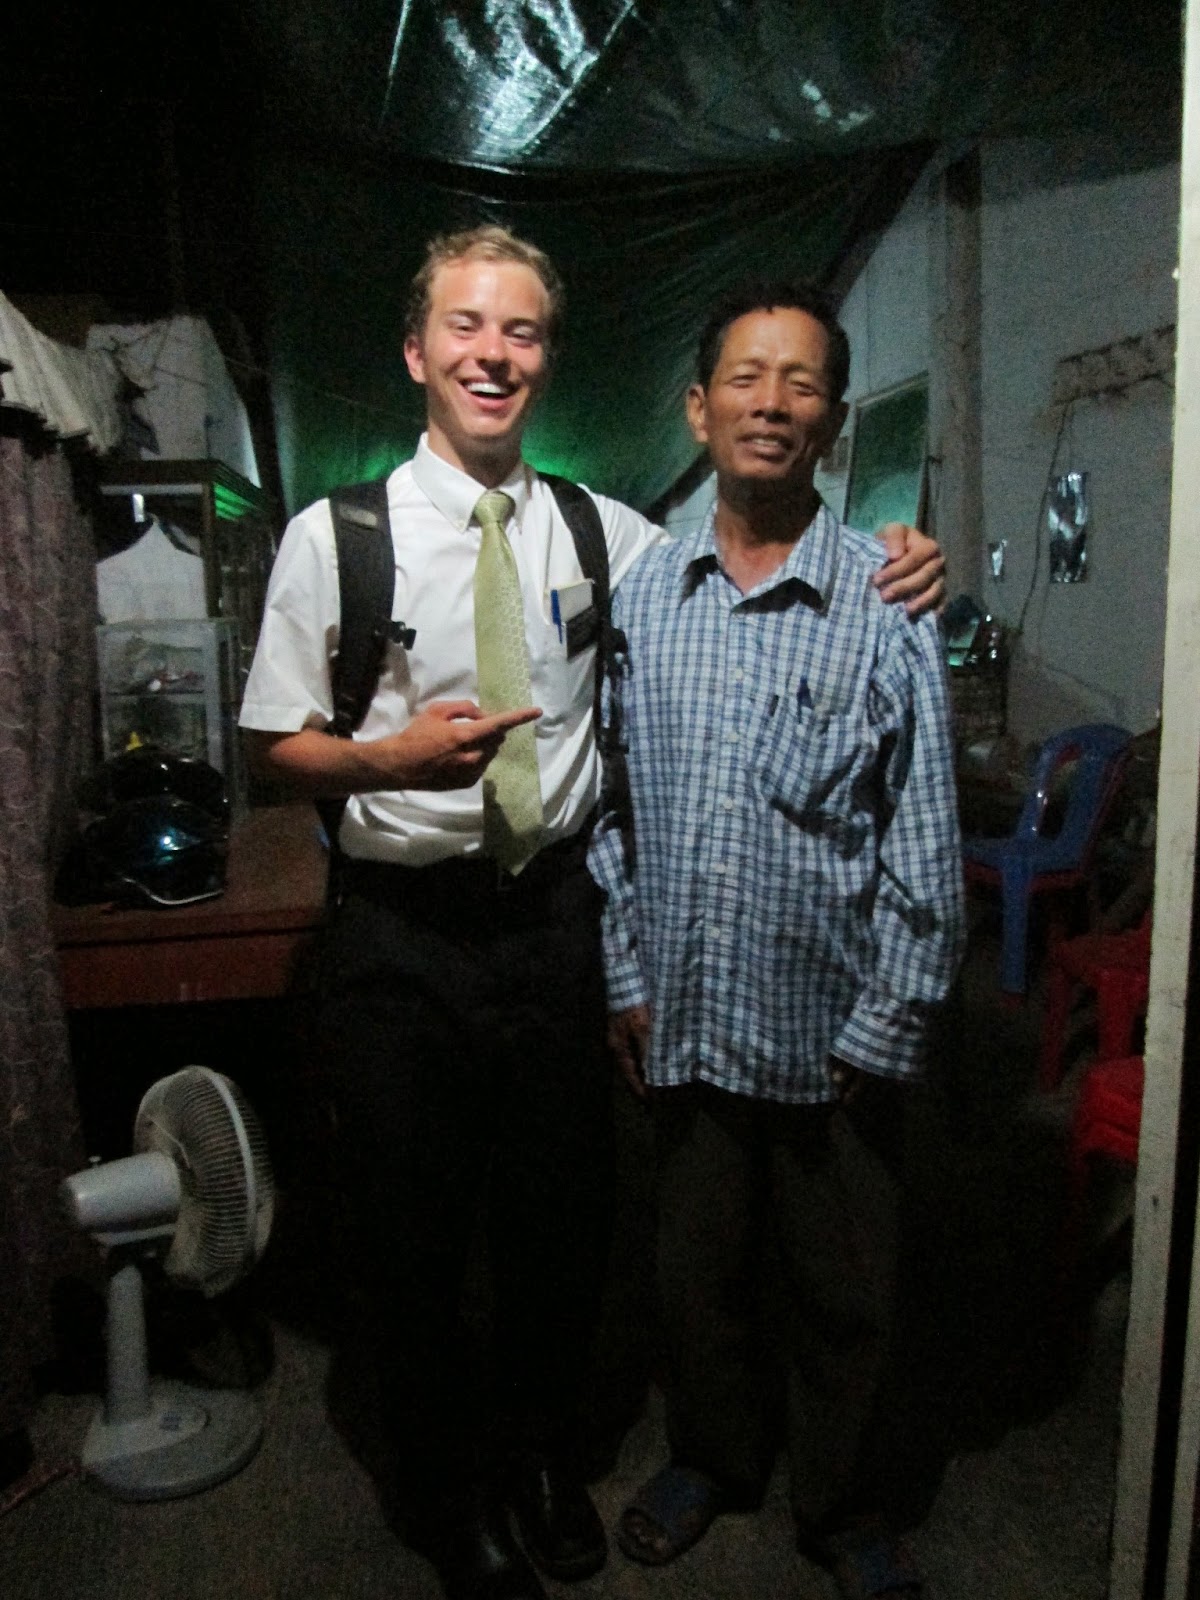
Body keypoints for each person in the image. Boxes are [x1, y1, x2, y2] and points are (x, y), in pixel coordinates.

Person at [239, 227, 945, 1600]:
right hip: (399, 931)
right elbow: (271, 744)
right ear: (417, 350)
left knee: (564, 1230)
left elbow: (756, 550)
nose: (493, 354)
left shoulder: (609, 537)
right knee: (416, 1240)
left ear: (547, 360)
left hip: (553, 926)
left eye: (521, 331)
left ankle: (548, 1462)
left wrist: (912, 552)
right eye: (466, 326)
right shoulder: (338, 536)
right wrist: (386, 761)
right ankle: (451, 1499)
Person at [589, 281, 965, 1600]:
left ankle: (846, 1504)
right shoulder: (644, 593)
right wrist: (624, 974)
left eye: (801, 382)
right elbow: (608, 807)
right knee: (694, 1274)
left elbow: (924, 826)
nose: (772, 402)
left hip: (831, 1028)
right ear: (699, 409)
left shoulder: (887, 595)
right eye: (745, 377)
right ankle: (712, 1457)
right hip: (686, 1014)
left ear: (833, 422)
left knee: (846, 1285)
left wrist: (892, 1014)